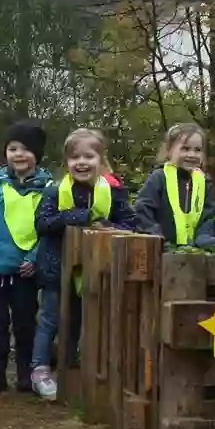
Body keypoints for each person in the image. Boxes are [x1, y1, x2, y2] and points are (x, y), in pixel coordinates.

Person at [32, 128, 137, 400]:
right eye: (75, 157)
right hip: (57, 268)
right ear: (66, 162)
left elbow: (130, 224)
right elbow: (42, 224)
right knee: (51, 319)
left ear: (100, 160)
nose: (81, 162)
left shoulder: (113, 192)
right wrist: (81, 217)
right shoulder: (55, 191)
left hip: (96, 270)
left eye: (89, 156)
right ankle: (40, 370)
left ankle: (70, 369)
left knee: (79, 321)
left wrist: (107, 226)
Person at [0, 120, 51, 393]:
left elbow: (48, 231)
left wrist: (35, 258)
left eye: (26, 149)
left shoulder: (48, 188)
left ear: (37, 154)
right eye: (13, 148)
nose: (19, 154)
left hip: (25, 270)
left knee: (25, 323)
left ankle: (26, 372)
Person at [134, 123, 215, 246]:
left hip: (195, 254)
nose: (192, 155)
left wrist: (204, 238)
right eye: (185, 149)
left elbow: (209, 217)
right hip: (161, 250)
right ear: (169, 151)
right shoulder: (159, 178)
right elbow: (143, 210)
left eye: (198, 150)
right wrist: (156, 235)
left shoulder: (205, 183)